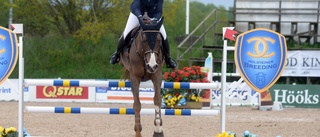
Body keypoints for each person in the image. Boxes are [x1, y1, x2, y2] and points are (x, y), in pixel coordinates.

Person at [109, 0, 177, 68]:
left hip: (153, 16)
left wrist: (155, 19)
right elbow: (136, 7)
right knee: (126, 33)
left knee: (164, 36)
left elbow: (159, 11)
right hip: (136, 14)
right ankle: (117, 54)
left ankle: (168, 59)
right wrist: (140, 17)